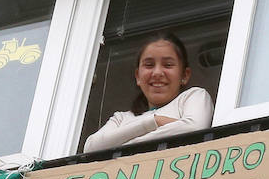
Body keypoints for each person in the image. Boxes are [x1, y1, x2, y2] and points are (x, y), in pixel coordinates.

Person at [83, 31, 214, 153]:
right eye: (149, 65)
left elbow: (195, 129)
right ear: (138, 76)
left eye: (168, 65)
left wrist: (125, 145)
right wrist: (154, 122)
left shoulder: (193, 96)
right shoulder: (122, 118)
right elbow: (91, 147)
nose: (157, 73)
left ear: (185, 75)